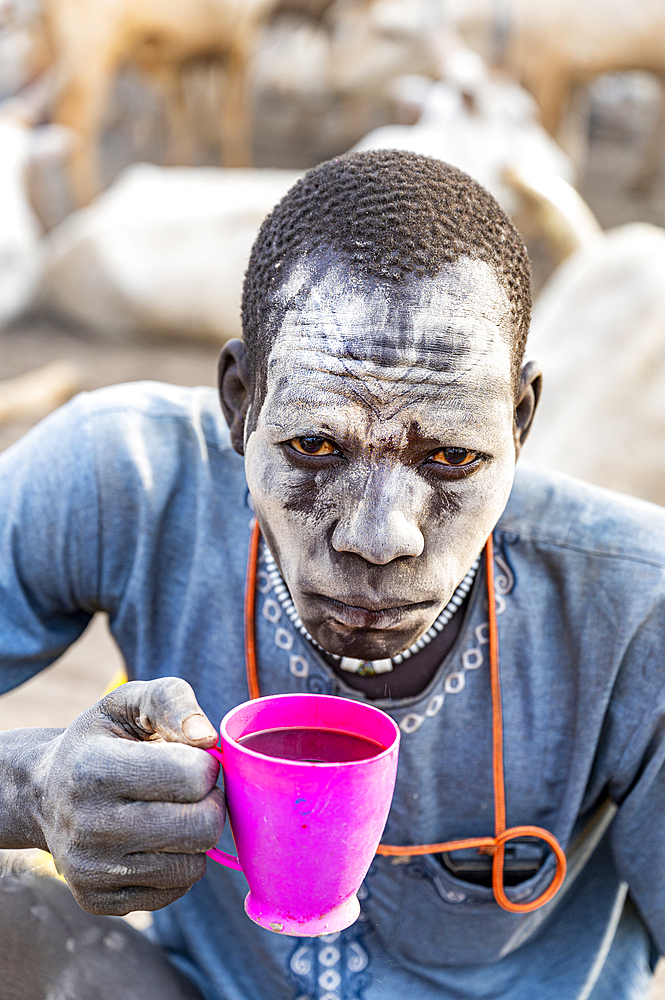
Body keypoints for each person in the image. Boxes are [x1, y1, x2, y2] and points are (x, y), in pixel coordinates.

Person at [0, 149, 664, 1000]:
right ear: (241, 403)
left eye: (451, 457)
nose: (379, 536)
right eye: (315, 447)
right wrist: (32, 786)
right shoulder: (122, 475)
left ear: (520, 420)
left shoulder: (635, 605)